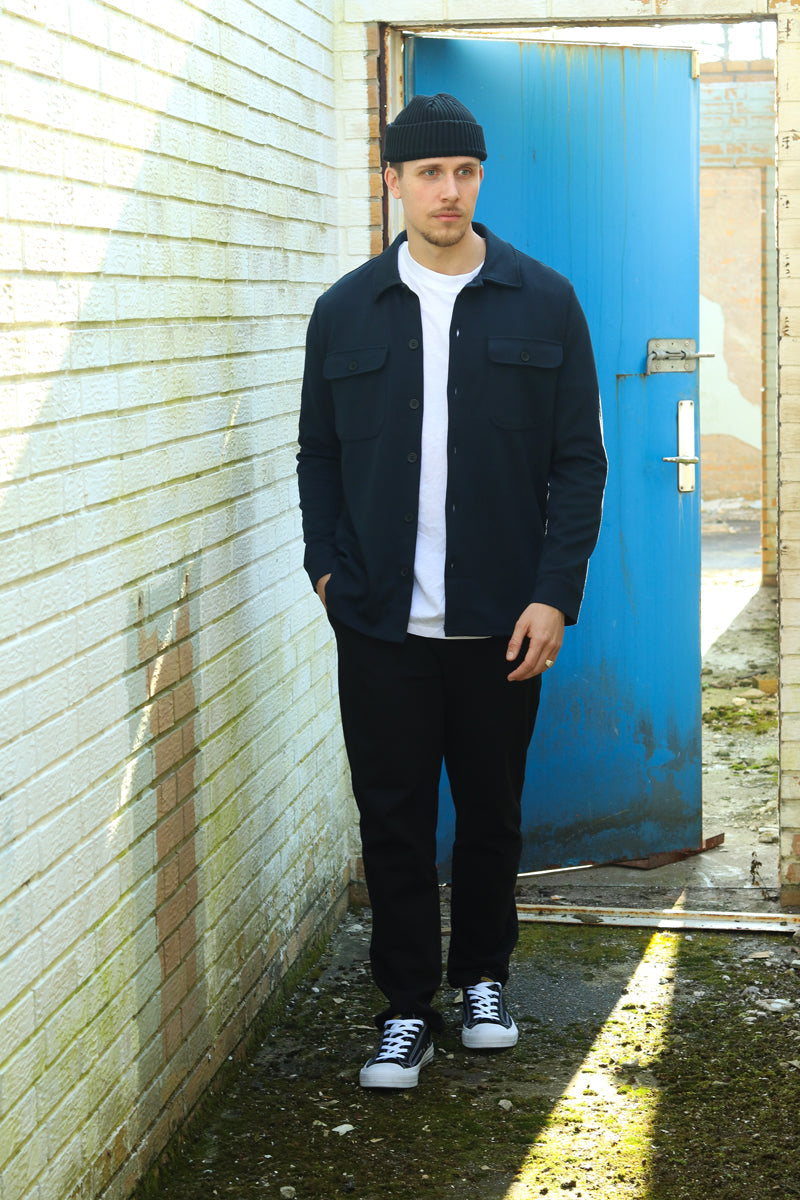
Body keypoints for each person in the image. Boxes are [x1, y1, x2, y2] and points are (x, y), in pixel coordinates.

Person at [297, 93, 607, 1089]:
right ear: (392, 180)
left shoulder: (544, 300)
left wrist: (554, 594)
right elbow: (317, 456)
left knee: (489, 814)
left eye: (464, 171)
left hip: (499, 623)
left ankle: (481, 980)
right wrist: (325, 566)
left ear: (479, 179)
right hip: (380, 623)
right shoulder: (346, 309)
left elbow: (579, 462)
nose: (448, 190)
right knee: (390, 820)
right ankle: (403, 1009)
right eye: (428, 172)